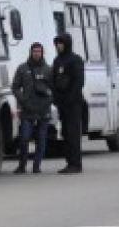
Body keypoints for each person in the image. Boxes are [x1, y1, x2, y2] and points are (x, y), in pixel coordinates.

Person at [12, 42, 53, 174]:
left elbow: (54, 89)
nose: (37, 53)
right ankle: (22, 165)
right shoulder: (22, 69)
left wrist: (48, 100)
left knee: (41, 139)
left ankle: (37, 166)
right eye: (34, 51)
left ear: (42, 53)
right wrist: (22, 99)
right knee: (24, 138)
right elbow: (15, 87)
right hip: (27, 109)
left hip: (43, 110)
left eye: (39, 51)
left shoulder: (48, 70)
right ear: (31, 52)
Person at [52, 33, 85, 174]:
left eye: (61, 43)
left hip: (74, 103)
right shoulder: (57, 60)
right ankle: (69, 162)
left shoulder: (75, 60)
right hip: (62, 103)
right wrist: (56, 98)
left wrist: (70, 98)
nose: (59, 46)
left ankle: (76, 163)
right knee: (65, 133)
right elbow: (54, 80)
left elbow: (79, 81)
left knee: (73, 134)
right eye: (57, 43)